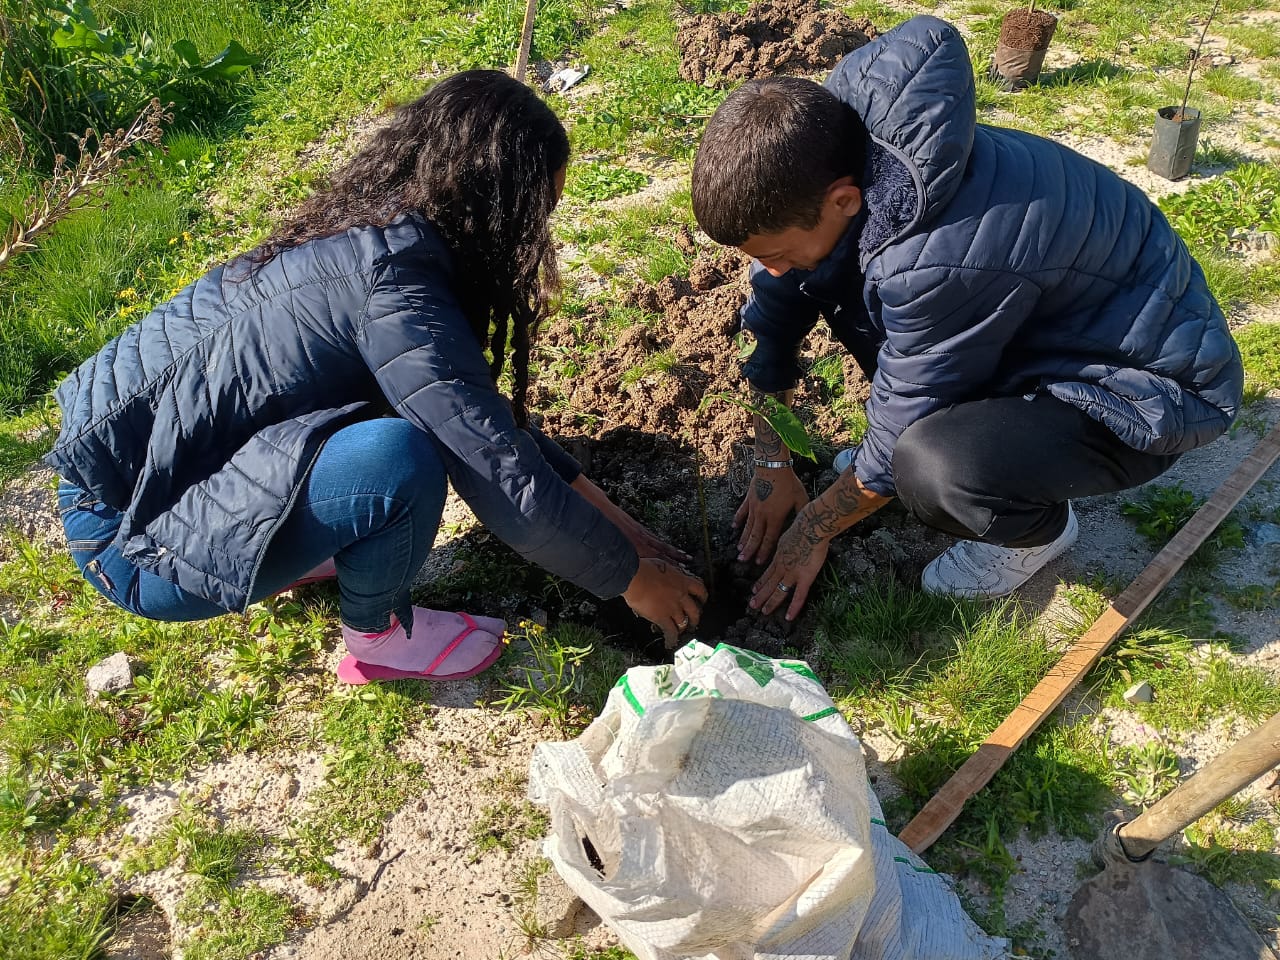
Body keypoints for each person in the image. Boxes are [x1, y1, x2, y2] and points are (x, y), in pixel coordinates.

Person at [46, 70, 706, 683]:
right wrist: (631, 580)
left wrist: (634, 538)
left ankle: (313, 541)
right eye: (542, 208)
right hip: (135, 548)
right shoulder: (395, 294)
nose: (543, 231)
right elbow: (499, 474)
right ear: (498, 202)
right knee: (403, 458)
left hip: (137, 484)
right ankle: (379, 637)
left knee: (413, 427)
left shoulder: (376, 232)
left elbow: (482, 422)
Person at [690, 16, 1243, 618]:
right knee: (840, 324)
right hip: (1044, 328)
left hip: (1147, 384)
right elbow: (773, 323)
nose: (770, 270)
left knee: (929, 467)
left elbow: (905, 418)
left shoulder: (932, 262)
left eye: (774, 253)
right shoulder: (832, 163)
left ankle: (1035, 532)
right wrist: (773, 463)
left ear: (843, 200)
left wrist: (812, 531)